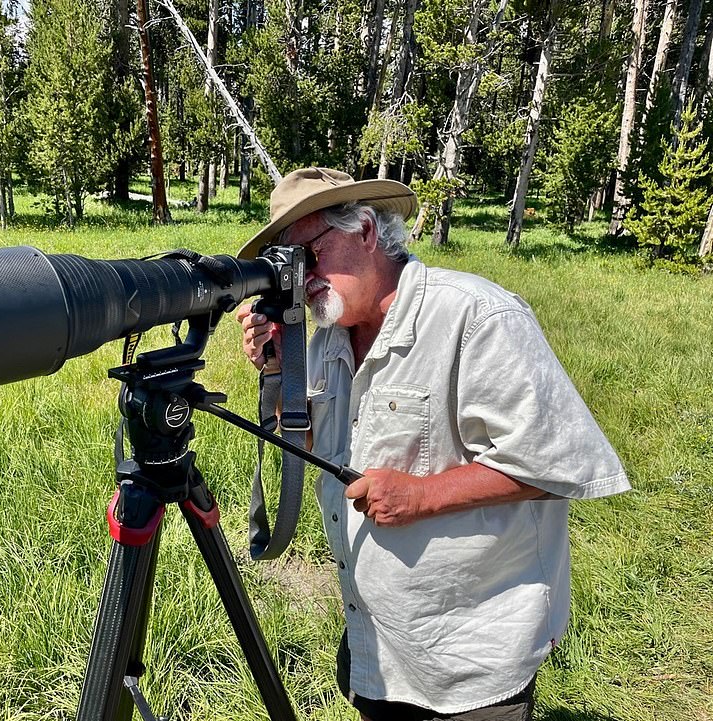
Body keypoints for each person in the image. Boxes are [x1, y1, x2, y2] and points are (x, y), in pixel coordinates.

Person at [235, 167, 630, 721]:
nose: (302, 280)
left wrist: (424, 497)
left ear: (366, 231)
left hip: (467, 654)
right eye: (288, 268)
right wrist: (281, 370)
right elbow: (310, 444)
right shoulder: (325, 336)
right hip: (377, 634)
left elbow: (557, 462)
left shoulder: (477, 316)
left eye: (311, 256)